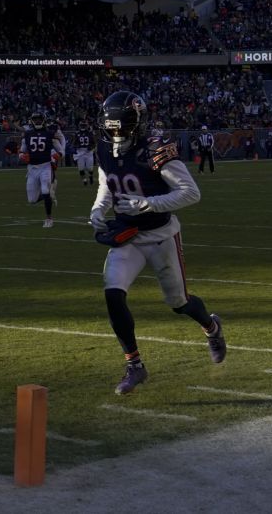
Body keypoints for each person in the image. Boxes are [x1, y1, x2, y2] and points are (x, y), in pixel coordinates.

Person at [89, 91, 226, 395]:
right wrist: (98, 209)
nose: (115, 134)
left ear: (137, 124)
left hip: (161, 234)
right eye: (110, 128)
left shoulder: (155, 148)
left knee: (179, 302)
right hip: (127, 234)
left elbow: (191, 193)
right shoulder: (104, 148)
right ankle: (135, 365)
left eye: (121, 128)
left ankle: (212, 328)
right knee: (113, 293)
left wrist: (148, 203)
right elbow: (106, 184)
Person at [20, 111, 63, 228]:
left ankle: (49, 218)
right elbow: (22, 151)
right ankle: (50, 195)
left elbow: (60, 150)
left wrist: (58, 155)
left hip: (45, 166)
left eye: (39, 119)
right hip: (32, 168)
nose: (37, 121)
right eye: (35, 119)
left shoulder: (49, 134)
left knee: (45, 190)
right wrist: (22, 155)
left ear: (43, 120)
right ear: (32, 121)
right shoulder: (27, 134)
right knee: (32, 200)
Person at [74, 119, 96, 187]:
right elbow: (74, 143)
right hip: (80, 152)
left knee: (90, 168)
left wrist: (91, 147)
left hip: (88, 152)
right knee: (81, 168)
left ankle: (91, 176)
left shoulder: (90, 133)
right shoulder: (77, 134)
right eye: (82, 125)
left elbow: (94, 143)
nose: (83, 127)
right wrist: (76, 145)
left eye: (84, 125)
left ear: (86, 126)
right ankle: (84, 180)